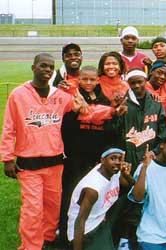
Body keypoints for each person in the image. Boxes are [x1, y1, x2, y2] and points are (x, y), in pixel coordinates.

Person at [0, 53, 81, 250]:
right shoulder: (19, 94)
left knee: (52, 207)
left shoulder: (60, 96)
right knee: (33, 209)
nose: (47, 70)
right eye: (43, 66)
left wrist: (72, 89)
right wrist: (7, 158)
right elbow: (9, 128)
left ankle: (47, 240)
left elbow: (82, 108)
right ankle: (31, 246)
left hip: (55, 162)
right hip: (29, 163)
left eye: (50, 67)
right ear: (33, 68)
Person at [59, 66, 128, 243]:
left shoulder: (104, 99)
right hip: (76, 157)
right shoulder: (71, 96)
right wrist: (76, 112)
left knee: (96, 196)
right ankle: (68, 235)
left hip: (97, 157)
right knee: (72, 196)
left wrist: (115, 114)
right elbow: (68, 125)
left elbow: (108, 127)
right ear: (79, 79)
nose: (88, 83)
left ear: (98, 80)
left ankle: (94, 228)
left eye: (92, 80)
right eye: (85, 79)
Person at [111, 68, 166, 249]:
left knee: (147, 199)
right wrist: (116, 114)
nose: (137, 86)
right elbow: (113, 133)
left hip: (148, 160)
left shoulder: (156, 104)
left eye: (140, 82)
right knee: (126, 200)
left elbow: (163, 132)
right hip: (128, 159)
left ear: (146, 81)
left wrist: (156, 151)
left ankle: (145, 234)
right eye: (133, 82)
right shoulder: (124, 104)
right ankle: (124, 237)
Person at [67, 148, 134, 250]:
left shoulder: (114, 171)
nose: (117, 162)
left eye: (119, 159)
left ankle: (122, 238)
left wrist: (127, 175)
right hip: (86, 231)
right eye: (113, 158)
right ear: (102, 161)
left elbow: (132, 187)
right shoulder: (93, 188)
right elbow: (80, 221)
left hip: (100, 220)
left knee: (129, 199)